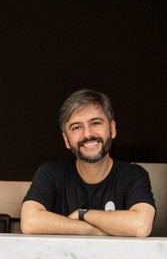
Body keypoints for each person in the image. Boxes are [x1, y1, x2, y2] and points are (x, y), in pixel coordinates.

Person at [20, 89, 156, 237]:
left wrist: (83, 214)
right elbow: (30, 221)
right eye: (76, 127)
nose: (87, 134)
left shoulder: (133, 175)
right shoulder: (52, 173)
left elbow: (140, 226)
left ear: (112, 129)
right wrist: (92, 230)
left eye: (95, 123)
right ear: (66, 139)